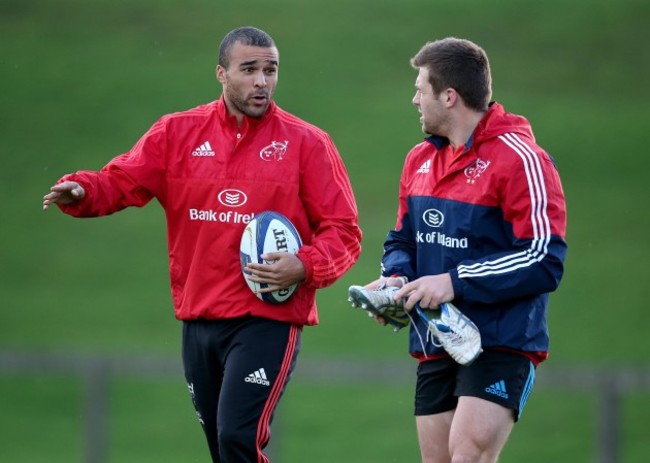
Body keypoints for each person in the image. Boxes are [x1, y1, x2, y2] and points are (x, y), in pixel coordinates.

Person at [42, 26, 362, 463]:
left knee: (237, 437)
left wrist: (304, 265)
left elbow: (344, 230)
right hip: (200, 320)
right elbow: (122, 181)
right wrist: (83, 189)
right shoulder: (177, 133)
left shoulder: (308, 143)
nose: (261, 81)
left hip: (266, 320)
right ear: (221, 73)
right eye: (249, 70)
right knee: (222, 449)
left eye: (270, 70)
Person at [355, 38, 567, 462]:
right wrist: (397, 279)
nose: (414, 99)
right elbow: (401, 240)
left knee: (467, 454)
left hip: (501, 341)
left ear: (448, 96)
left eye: (421, 89)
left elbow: (544, 258)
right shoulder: (418, 160)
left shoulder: (521, 159)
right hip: (436, 338)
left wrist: (454, 282)